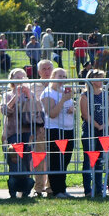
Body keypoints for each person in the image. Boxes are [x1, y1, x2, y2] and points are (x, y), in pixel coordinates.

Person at [40, 67, 76, 198]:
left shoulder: (65, 92)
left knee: (65, 160)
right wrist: (63, 100)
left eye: (64, 76)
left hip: (68, 130)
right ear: (53, 77)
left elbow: (68, 107)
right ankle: (56, 190)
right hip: (54, 130)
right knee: (56, 161)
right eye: (60, 76)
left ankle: (62, 189)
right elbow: (52, 113)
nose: (62, 79)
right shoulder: (48, 93)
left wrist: (73, 108)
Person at [1, 68, 37, 199]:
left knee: (27, 161)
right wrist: (16, 96)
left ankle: (26, 190)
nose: (21, 81)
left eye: (23, 78)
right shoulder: (7, 94)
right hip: (13, 132)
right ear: (12, 81)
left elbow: (37, 110)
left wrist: (29, 95)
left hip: (28, 132)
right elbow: (4, 110)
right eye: (17, 78)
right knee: (14, 161)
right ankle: (13, 191)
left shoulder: (30, 94)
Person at [79, 69, 109, 198]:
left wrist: (106, 124)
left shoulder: (106, 94)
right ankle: (88, 189)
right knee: (88, 160)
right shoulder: (85, 96)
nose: (102, 80)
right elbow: (85, 114)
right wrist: (97, 126)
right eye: (99, 78)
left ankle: (99, 188)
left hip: (103, 131)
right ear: (92, 80)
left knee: (99, 161)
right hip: (89, 131)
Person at [31, 59, 54, 197]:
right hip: (39, 127)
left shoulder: (58, 84)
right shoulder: (33, 85)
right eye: (44, 69)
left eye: (49, 68)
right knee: (39, 158)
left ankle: (51, 187)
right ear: (39, 72)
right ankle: (38, 188)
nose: (47, 71)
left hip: (57, 126)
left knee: (54, 158)